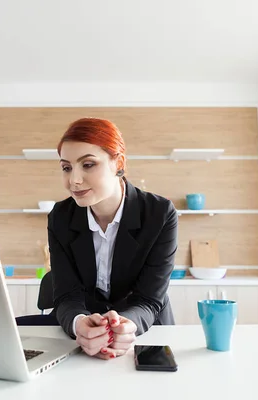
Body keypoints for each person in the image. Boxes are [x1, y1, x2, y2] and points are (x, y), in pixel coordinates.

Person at [48, 117, 178, 361]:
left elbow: (149, 298)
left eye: (88, 164)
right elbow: (67, 294)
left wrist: (128, 326)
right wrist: (78, 323)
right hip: (86, 341)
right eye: (66, 167)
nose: (74, 180)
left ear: (118, 163)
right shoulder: (60, 217)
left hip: (146, 335)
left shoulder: (159, 214)